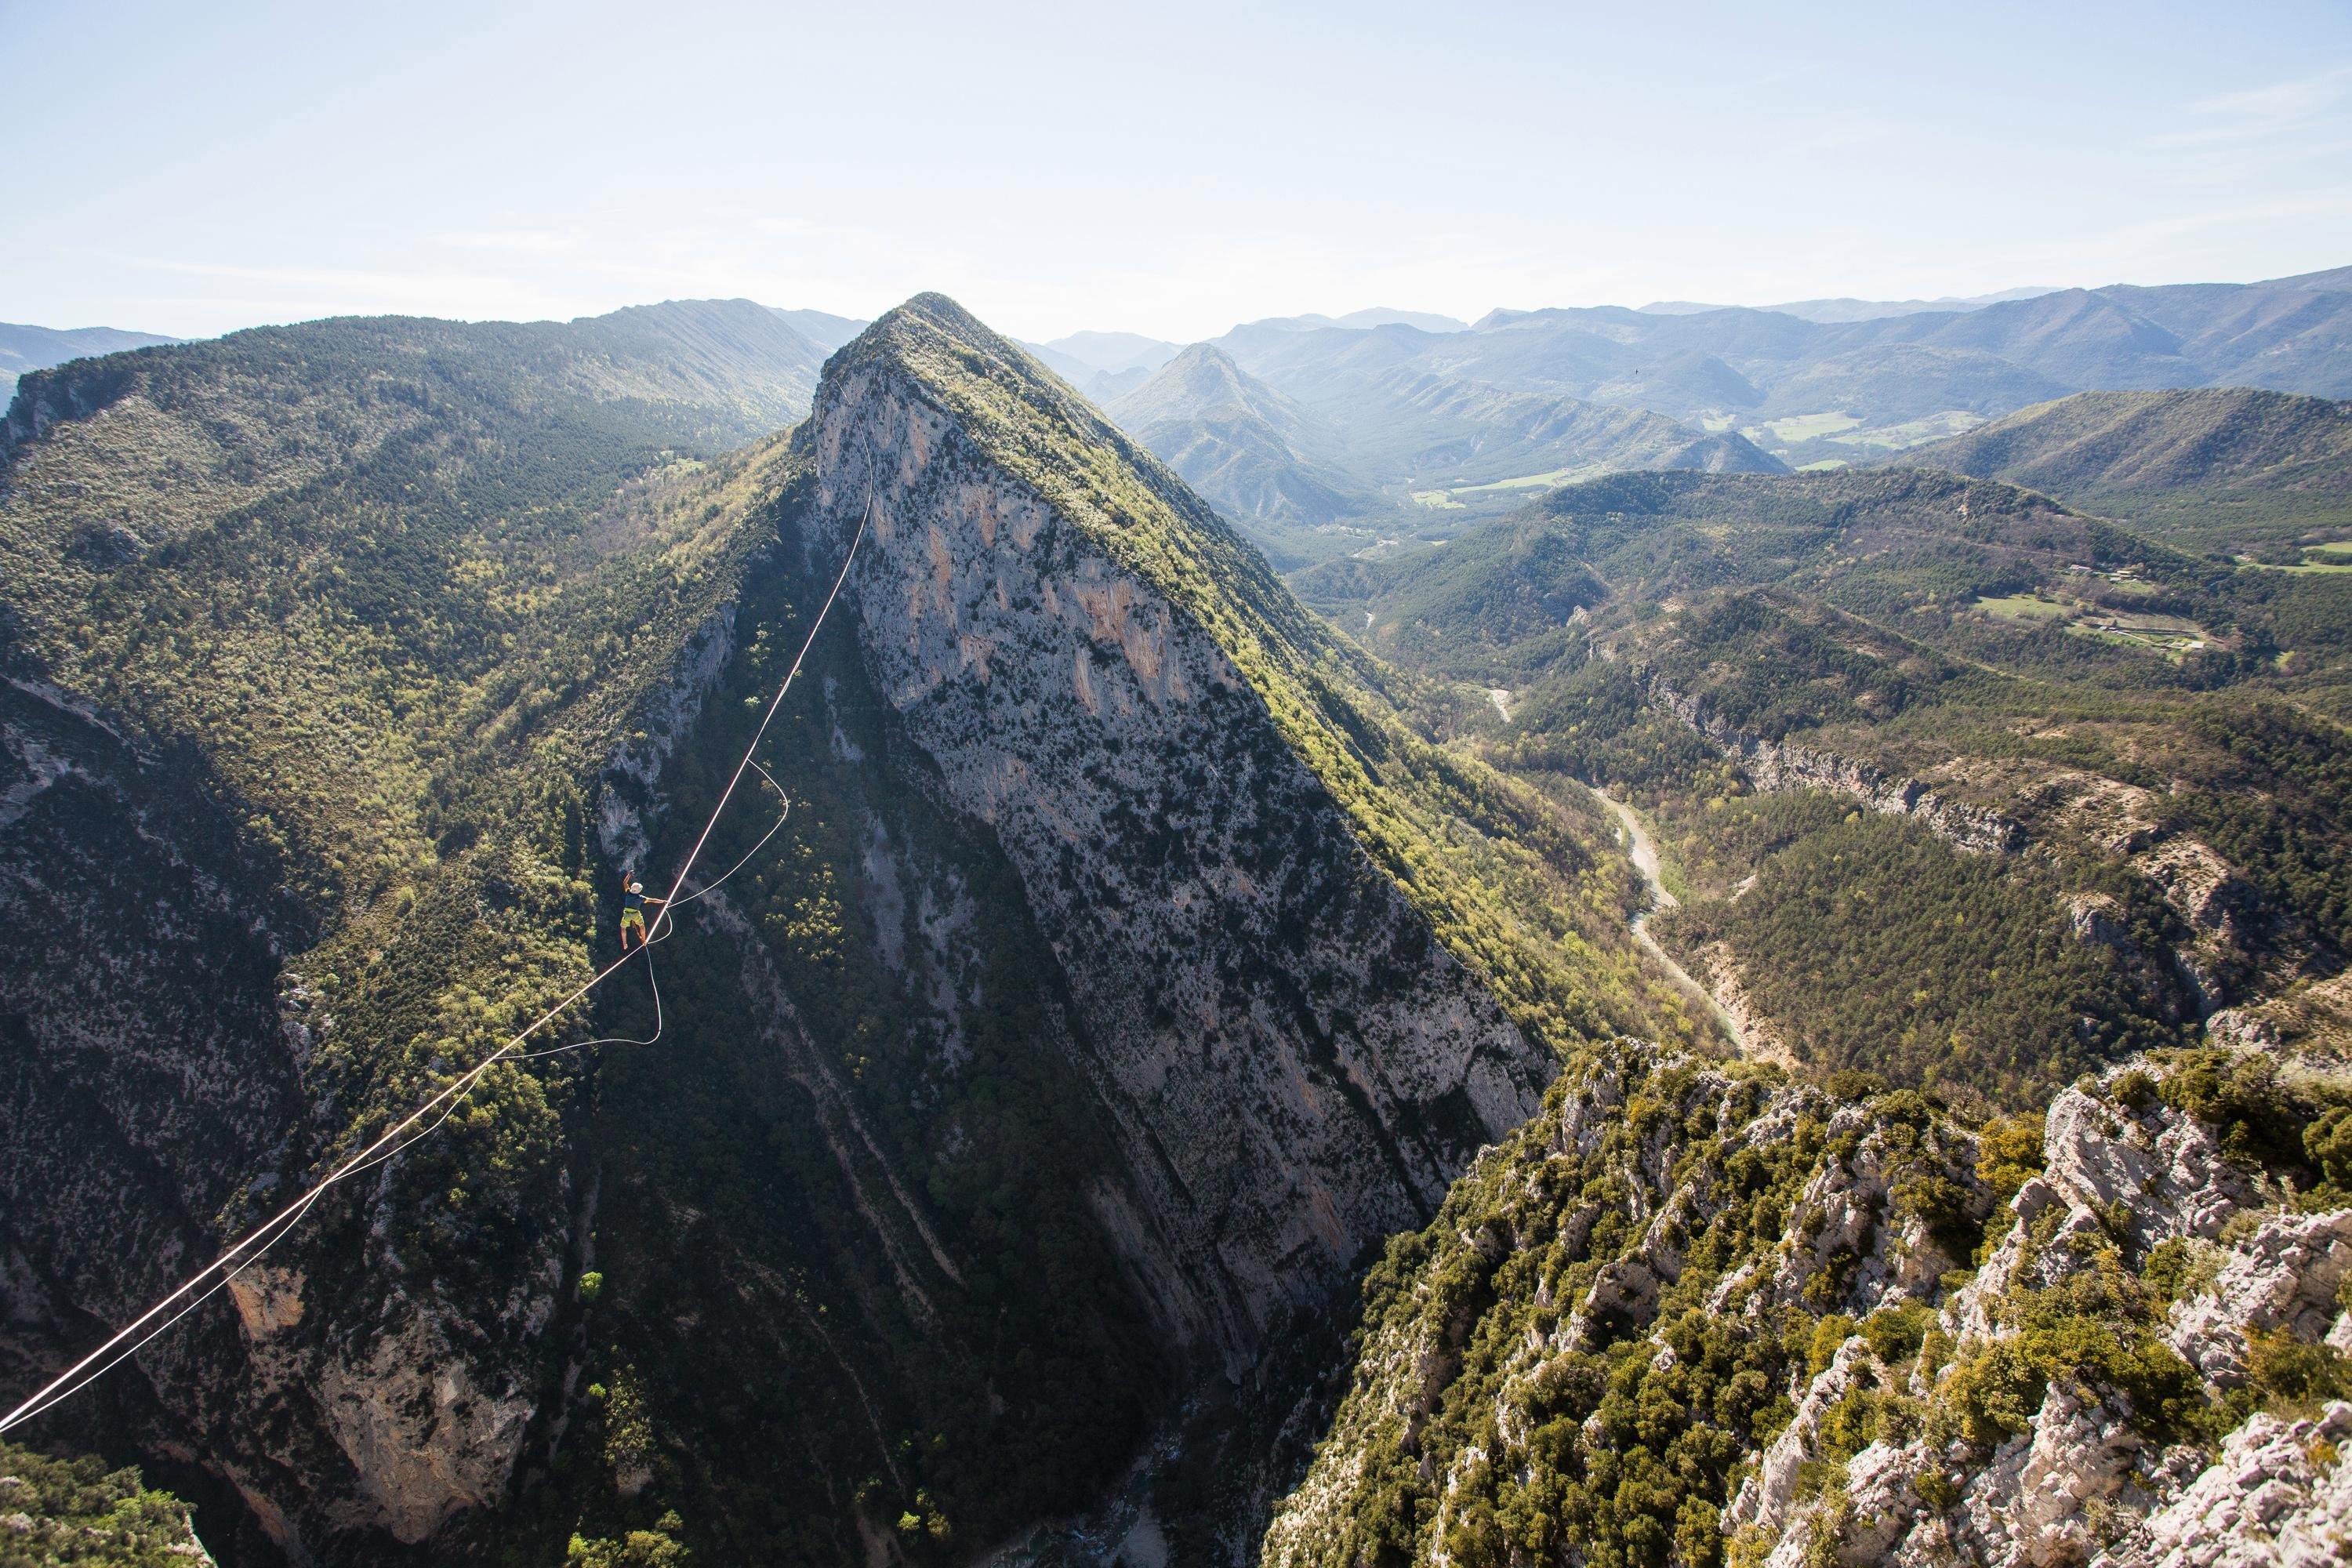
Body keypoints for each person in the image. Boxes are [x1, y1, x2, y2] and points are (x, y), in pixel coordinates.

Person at [619, 877, 665, 949]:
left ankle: (625, 943)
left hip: (627, 914)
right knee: (641, 926)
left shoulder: (628, 893)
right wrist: (663, 901)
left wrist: (629, 875)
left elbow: (625, 882)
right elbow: (653, 900)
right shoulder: (640, 898)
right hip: (635, 914)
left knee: (623, 928)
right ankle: (644, 940)